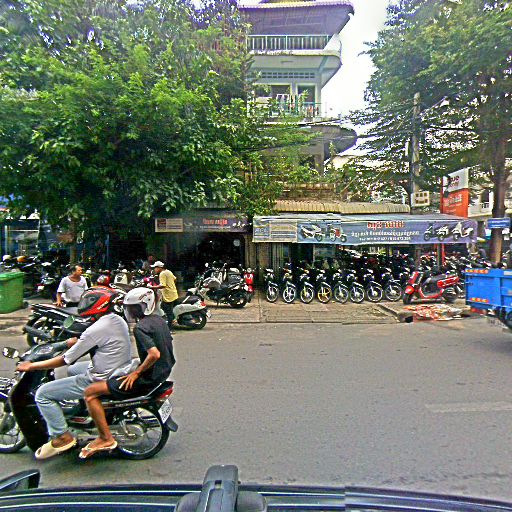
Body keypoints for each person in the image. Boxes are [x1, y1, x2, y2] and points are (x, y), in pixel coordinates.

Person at [16, 288, 133, 460]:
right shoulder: (116, 319)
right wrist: (70, 342)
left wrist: (32, 366)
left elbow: (64, 360)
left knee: (43, 394)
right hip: (119, 367)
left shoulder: (96, 329)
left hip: (101, 377)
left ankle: (62, 436)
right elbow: (87, 338)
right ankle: (82, 411)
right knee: (73, 370)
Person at [79, 288, 176, 459]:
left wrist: (136, 373)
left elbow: (154, 354)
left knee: (90, 392)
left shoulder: (140, 328)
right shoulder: (160, 320)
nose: (131, 311)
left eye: (135, 308)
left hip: (148, 378)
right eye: (130, 308)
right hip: (162, 372)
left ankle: (105, 438)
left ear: (145, 306)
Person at [149, 261, 178, 329]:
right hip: (173, 293)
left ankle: (170, 328)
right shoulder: (168, 271)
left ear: (159, 267)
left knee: (168, 311)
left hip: (168, 295)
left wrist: (152, 287)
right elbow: (175, 279)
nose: (155, 269)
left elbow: (163, 285)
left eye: (155, 268)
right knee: (163, 306)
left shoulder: (162, 274)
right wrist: (170, 285)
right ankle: (172, 319)